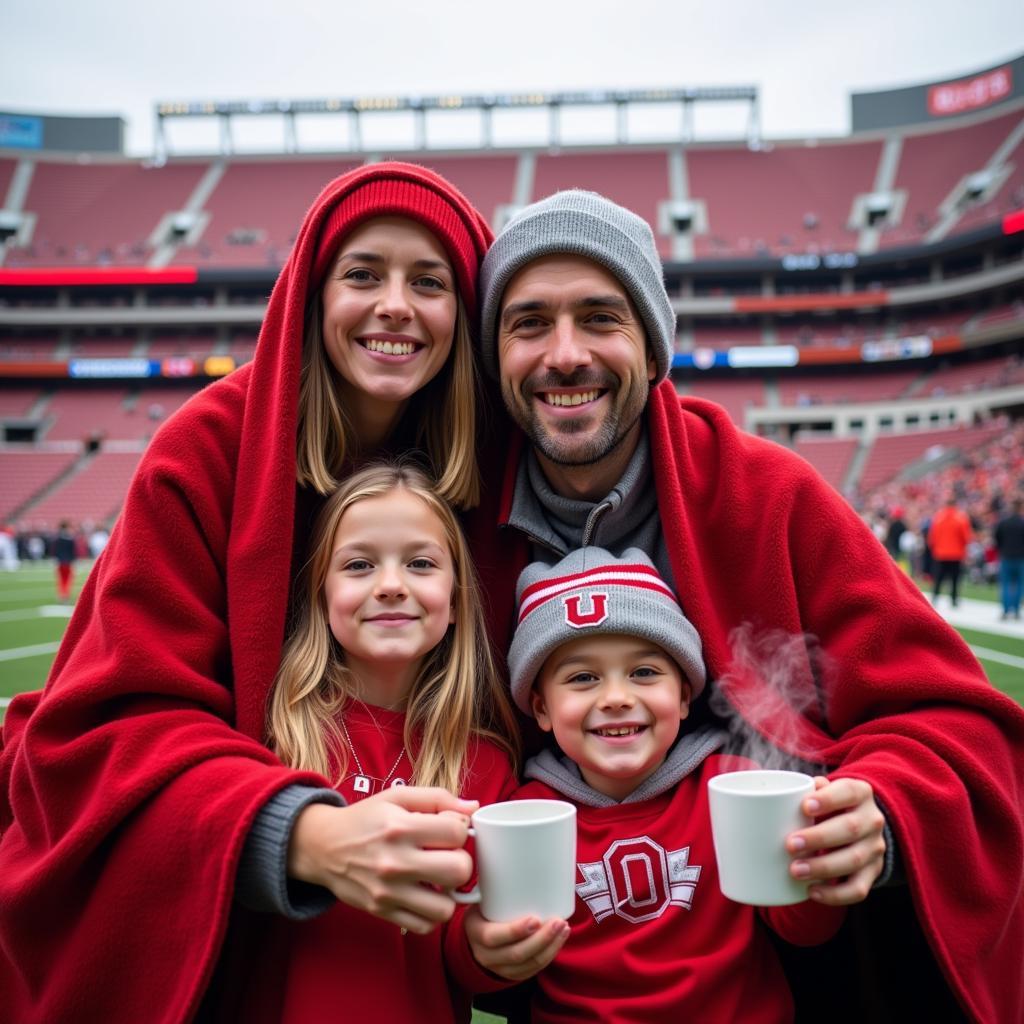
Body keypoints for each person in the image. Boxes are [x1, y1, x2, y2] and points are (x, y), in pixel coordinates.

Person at [462, 190, 1024, 1022]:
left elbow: (959, 721)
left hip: (791, 975)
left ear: (654, 350)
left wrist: (882, 809)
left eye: (601, 318)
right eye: (529, 323)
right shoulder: (453, 521)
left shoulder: (772, 493)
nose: (566, 354)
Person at [0, 162, 500, 1023]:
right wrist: (302, 833)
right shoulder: (203, 448)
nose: (395, 304)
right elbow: (109, 728)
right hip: (241, 955)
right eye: (362, 274)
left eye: (430, 280)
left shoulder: (498, 464)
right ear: (309, 293)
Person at [461, 547, 848, 1023]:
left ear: (684, 695)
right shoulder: (525, 816)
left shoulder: (734, 787)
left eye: (644, 672)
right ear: (540, 708)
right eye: (583, 678)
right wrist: (486, 950)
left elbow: (803, 931)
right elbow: (498, 971)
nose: (618, 698)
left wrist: (818, 871)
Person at [239, 461, 518, 1022]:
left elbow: (462, 954)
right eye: (360, 565)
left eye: (419, 563)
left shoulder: (486, 766)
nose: (391, 585)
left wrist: (492, 953)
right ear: (320, 595)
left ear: (459, 599)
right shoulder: (267, 735)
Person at [928, 492, 973, 607]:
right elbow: (966, 538)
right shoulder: (961, 518)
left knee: (938, 578)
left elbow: (932, 537)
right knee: (955, 579)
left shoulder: (938, 517)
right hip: (956, 554)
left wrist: (936, 548)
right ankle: (953, 599)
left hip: (940, 553)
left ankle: (935, 597)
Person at [995, 497, 1024, 620]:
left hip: (1006, 556)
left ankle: (1006, 610)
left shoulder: (1003, 522)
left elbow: (997, 538)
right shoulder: (1022, 523)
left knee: (1006, 584)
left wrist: (1002, 549)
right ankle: (1016, 609)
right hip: (1020, 558)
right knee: (1019, 584)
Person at [52, 519, 76, 601]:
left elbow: (55, 551)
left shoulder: (57, 538)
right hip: (68, 562)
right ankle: (65, 594)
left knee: (61, 579)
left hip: (60, 562)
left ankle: (61, 594)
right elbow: (73, 551)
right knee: (67, 579)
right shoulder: (70, 538)